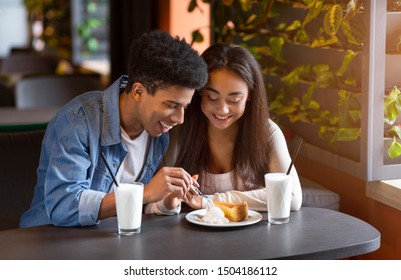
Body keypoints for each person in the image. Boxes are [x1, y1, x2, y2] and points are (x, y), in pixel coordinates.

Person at [19, 30, 208, 227]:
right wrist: (144, 193)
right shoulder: (77, 121)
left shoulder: (158, 134)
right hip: (49, 241)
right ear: (138, 91)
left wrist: (166, 201)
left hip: (110, 243)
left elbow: (137, 208)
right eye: (171, 105)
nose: (180, 118)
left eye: (184, 107)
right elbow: (63, 206)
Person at [147, 43, 302, 214]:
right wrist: (168, 204)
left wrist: (208, 201)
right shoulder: (179, 131)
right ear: (200, 92)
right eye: (212, 97)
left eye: (234, 100)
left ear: (249, 95)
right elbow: (150, 207)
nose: (222, 110)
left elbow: (292, 197)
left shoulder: (266, 132)